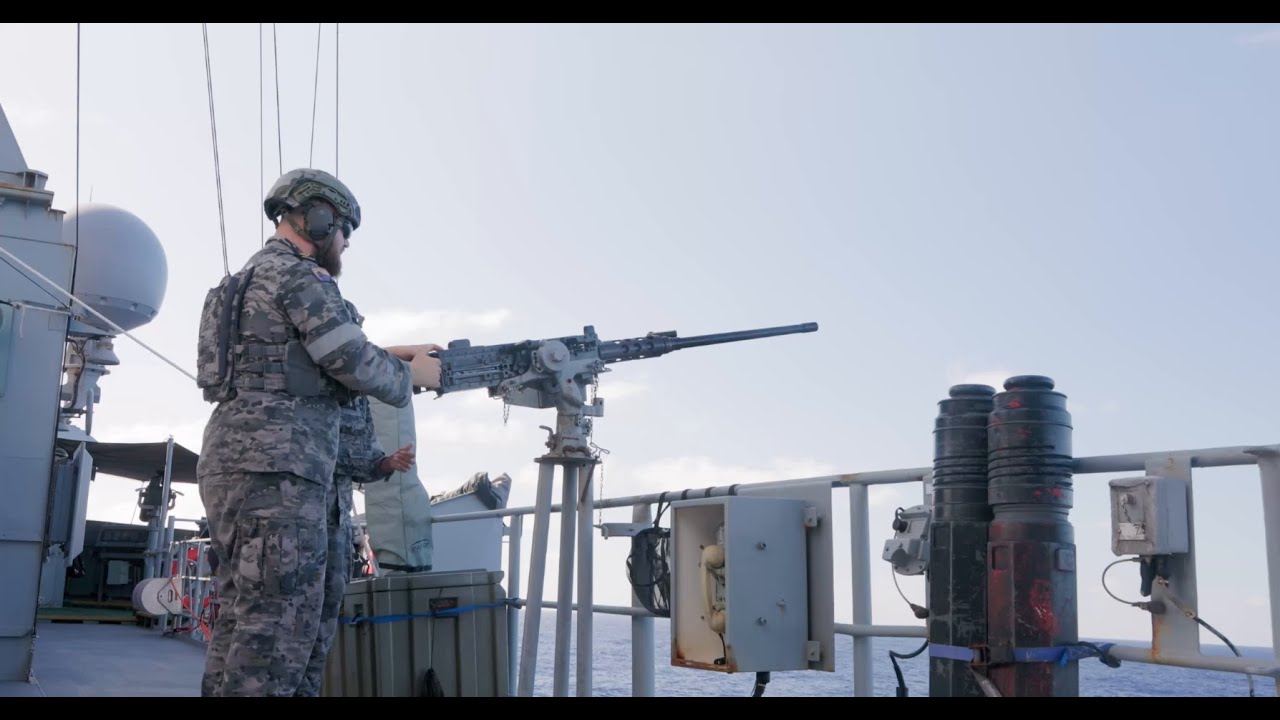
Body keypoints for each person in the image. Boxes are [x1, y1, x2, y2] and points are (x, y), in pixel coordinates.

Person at [194, 168, 441, 697]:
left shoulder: (241, 284)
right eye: (344, 230)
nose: (345, 243)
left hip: (238, 462)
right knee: (278, 630)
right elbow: (350, 360)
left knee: (246, 617)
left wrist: (391, 356)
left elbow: (291, 362)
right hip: (278, 471)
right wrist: (411, 375)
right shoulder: (301, 277)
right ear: (319, 218)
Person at [294, 297, 417, 697]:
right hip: (293, 521)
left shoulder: (355, 395)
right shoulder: (295, 388)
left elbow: (361, 456)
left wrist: (386, 463)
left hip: (334, 526)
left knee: (322, 626)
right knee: (280, 627)